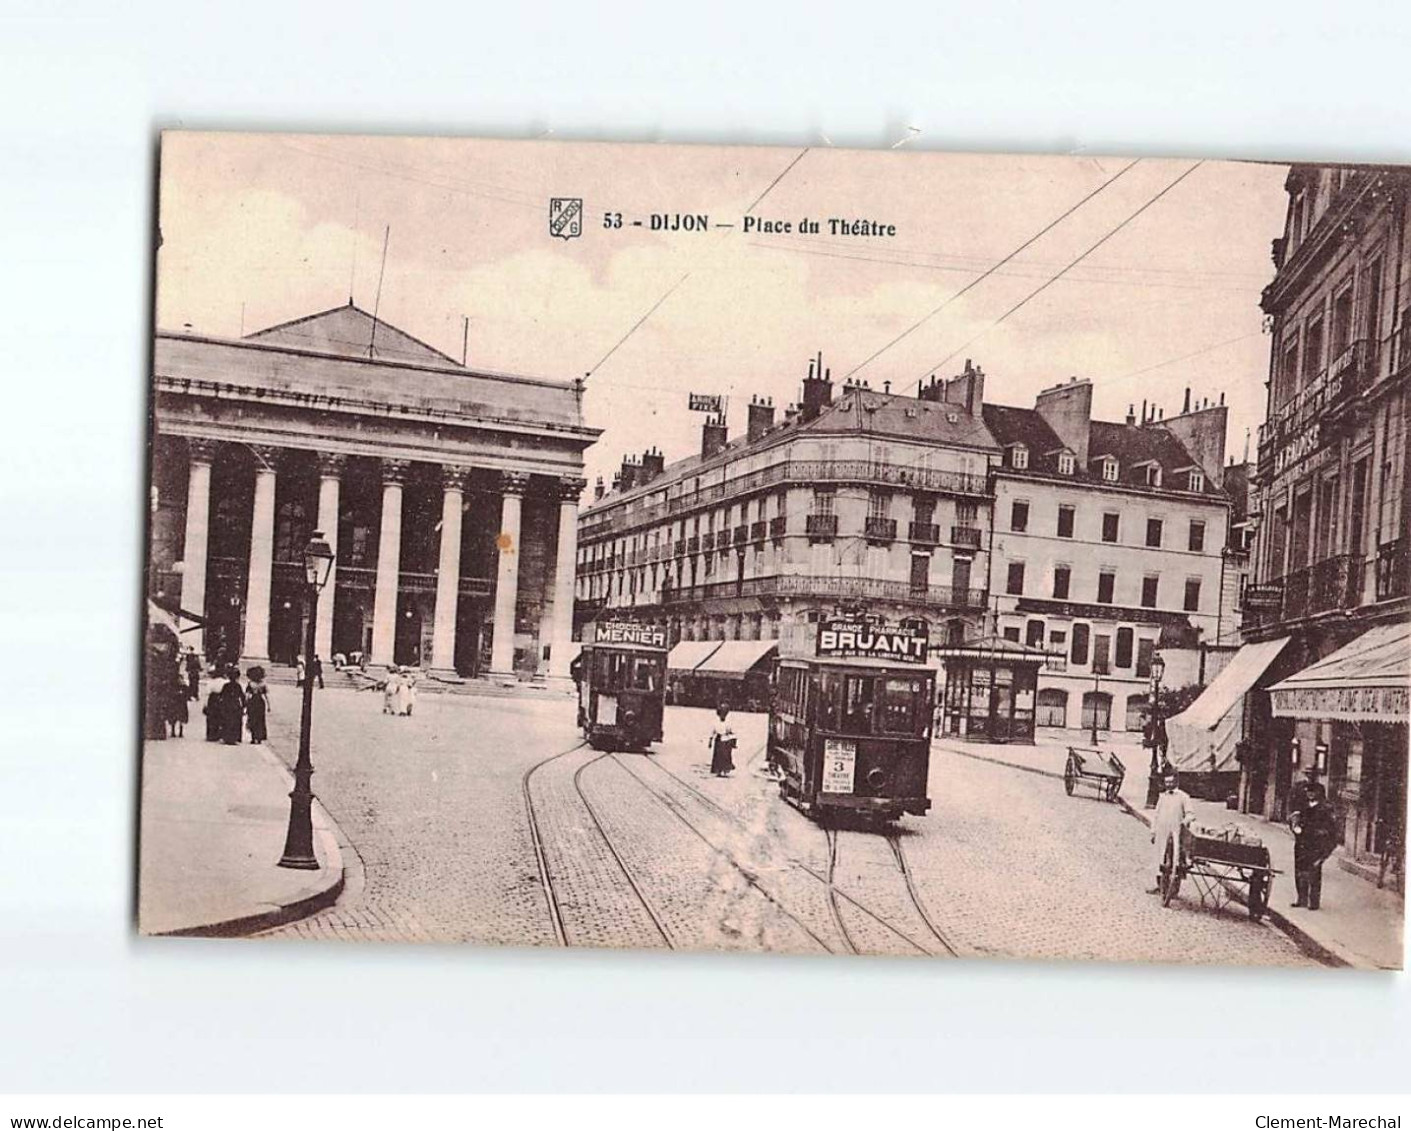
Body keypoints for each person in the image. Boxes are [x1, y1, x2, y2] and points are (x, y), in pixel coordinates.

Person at [1289, 780, 1338, 910]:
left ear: (1319, 793)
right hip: (1301, 843)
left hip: (1316, 844)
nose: (1310, 794)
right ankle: (1301, 899)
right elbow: (1294, 820)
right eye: (1308, 792)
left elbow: (1332, 828)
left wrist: (1321, 837)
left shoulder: (1326, 808)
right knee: (1300, 871)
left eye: (1313, 792)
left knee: (1314, 871)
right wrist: (1294, 827)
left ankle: (1314, 902)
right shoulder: (1303, 805)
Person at [1147, 769, 1195, 894]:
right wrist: (1153, 831)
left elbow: (1190, 814)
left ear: (1176, 782)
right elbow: (1156, 815)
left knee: (1175, 860)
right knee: (1159, 858)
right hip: (1161, 833)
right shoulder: (1162, 797)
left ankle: (1173, 889)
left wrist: (1184, 822)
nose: (1168, 785)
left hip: (1175, 834)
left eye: (1171, 782)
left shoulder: (1183, 797)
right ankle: (1160, 885)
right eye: (1166, 782)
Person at [217, 666, 246, 745]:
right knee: (235, 722)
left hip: (227, 704)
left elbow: (221, 696)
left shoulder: (226, 686)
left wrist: (220, 704)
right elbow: (242, 696)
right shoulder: (238, 686)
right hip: (235, 704)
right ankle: (234, 738)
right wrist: (244, 706)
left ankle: (225, 737)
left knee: (226, 721)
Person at [708, 704, 736, 777]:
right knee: (718, 756)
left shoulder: (729, 723)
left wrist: (733, 741)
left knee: (726, 756)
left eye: (724, 714)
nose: (722, 716)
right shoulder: (716, 722)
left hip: (726, 740)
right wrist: (710, 741)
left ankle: (725, 769)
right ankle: (718, 770)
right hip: (718, 740)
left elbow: (732, 732)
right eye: (721, 714)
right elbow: (712, 732)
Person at [245, 665, 270, 744]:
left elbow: (247, 695)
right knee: (260, 720)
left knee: (252, 719)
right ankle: (259, 737)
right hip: (260, 702)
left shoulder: (250, 684)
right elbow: (266, 696)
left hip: (252, 702)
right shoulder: (263, 684)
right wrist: (269, 705)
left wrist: (245, 704)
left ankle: (253, 737)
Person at [203, 666, 227, 742]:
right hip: (222, 699)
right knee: (221, 717)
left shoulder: (211, 682)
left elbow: (207, 693)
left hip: (213, 700)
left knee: (211, 718)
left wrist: (205, 705)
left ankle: (211, 735)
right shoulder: (225, 682)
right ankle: (220, 734)